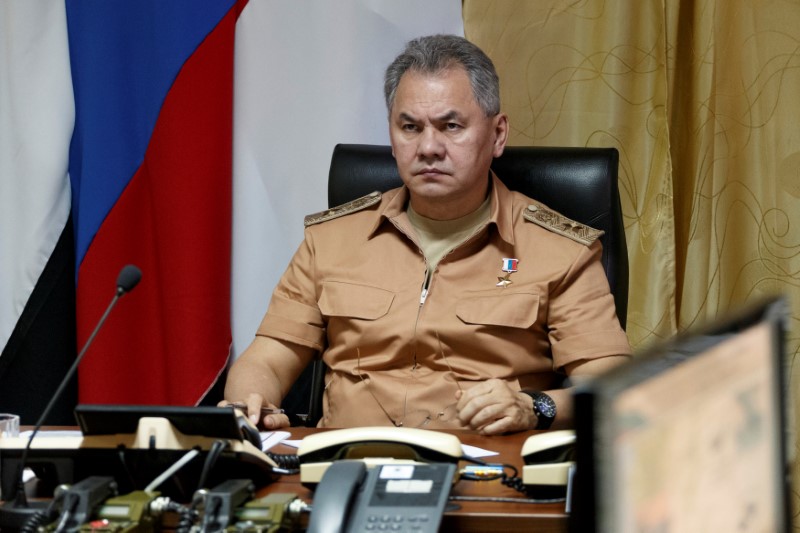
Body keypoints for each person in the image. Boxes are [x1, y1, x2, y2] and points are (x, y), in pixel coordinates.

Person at [223, 34, 631, 435]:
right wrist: (249, 407)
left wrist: (534, 406)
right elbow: (267, 361)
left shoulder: (561, 250)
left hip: (485, 478)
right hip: (340, 471)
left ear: (498, 134)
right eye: (410, 127)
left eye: (451, 126)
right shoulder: (331, 240)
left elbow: (611, 386)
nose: (429, 147)